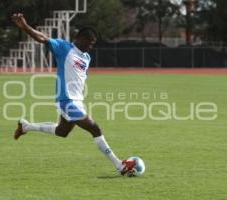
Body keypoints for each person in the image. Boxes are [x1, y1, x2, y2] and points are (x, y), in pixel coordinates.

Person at [11, 13, 135, 175]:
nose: (91, 47)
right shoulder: (64, 48)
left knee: (62, 132)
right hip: (66, 101)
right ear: (81, 39)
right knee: (95, 128)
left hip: (77, 101)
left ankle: (26, 126)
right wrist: (26, 27)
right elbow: (43, 38)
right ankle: (120, 165)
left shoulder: (87, 57)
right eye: (90, 43)